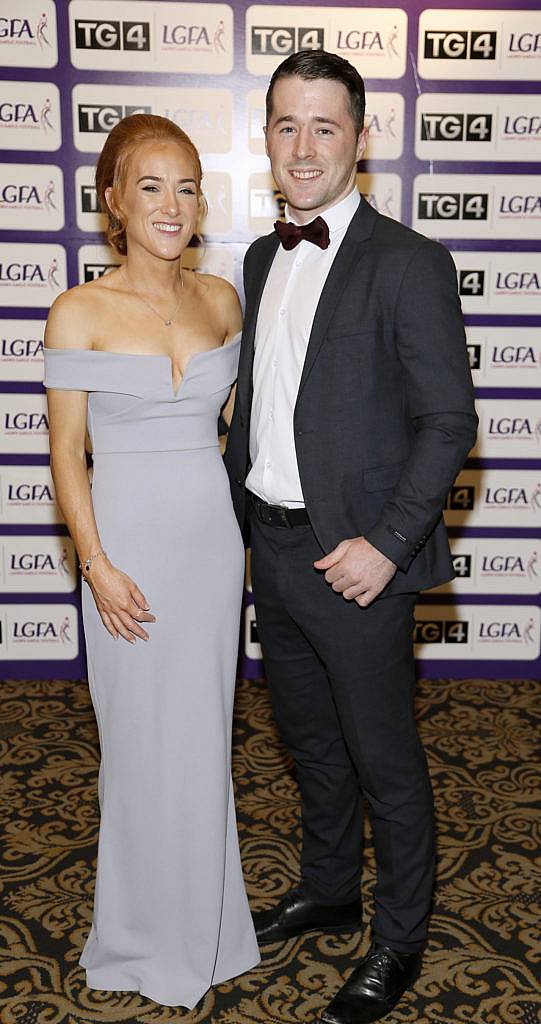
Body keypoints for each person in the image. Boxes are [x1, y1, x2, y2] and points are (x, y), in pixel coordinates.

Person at [224, 50, 477, 1024]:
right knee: (311, 744)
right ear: (266, 137)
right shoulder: (257, 257)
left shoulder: (409, 261)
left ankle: (400, 939)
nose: (302, 145)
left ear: (361, 138)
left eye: (324, 126)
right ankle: (329, 884)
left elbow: (448, 422)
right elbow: (270, 404)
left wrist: (385, 543)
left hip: (358, 563)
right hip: (276, 550)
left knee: (384, 757)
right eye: (285, 124)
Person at [43, 114, 260, 1009]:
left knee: (204, 740)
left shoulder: (222, 301)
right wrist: (95, 564)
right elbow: (65, 455)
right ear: (113, 203)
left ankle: (210, 932)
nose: (171, 205)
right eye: (150, 187)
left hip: (210, 546)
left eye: (185, 187)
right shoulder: (78, 310)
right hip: (123, 552)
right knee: (136, 749)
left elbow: (242, 434)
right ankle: (138, 938)